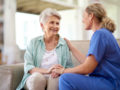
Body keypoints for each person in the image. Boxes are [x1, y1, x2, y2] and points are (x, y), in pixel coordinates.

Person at [52, 3, 120, 90]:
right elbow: (88, 63)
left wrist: (63, 71)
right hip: (110, 82)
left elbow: (87, 68)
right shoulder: (104, 33)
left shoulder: (100, 34)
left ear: (91, 16)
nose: (82, 20)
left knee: (65, 79)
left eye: (84, 16)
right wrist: (71, 47)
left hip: (110, 83)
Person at [16, 8, 73, 90]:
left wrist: (60, 71)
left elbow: (69, 67)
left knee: (56, 79)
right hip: (35, 77)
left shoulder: (63, 44)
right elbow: (29, 67)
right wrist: (47, 71)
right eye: (52, 22)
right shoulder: (33, 42)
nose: (55, 26)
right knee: (37, 78)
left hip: (54, 77)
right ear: (42, 25)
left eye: (57, 23)